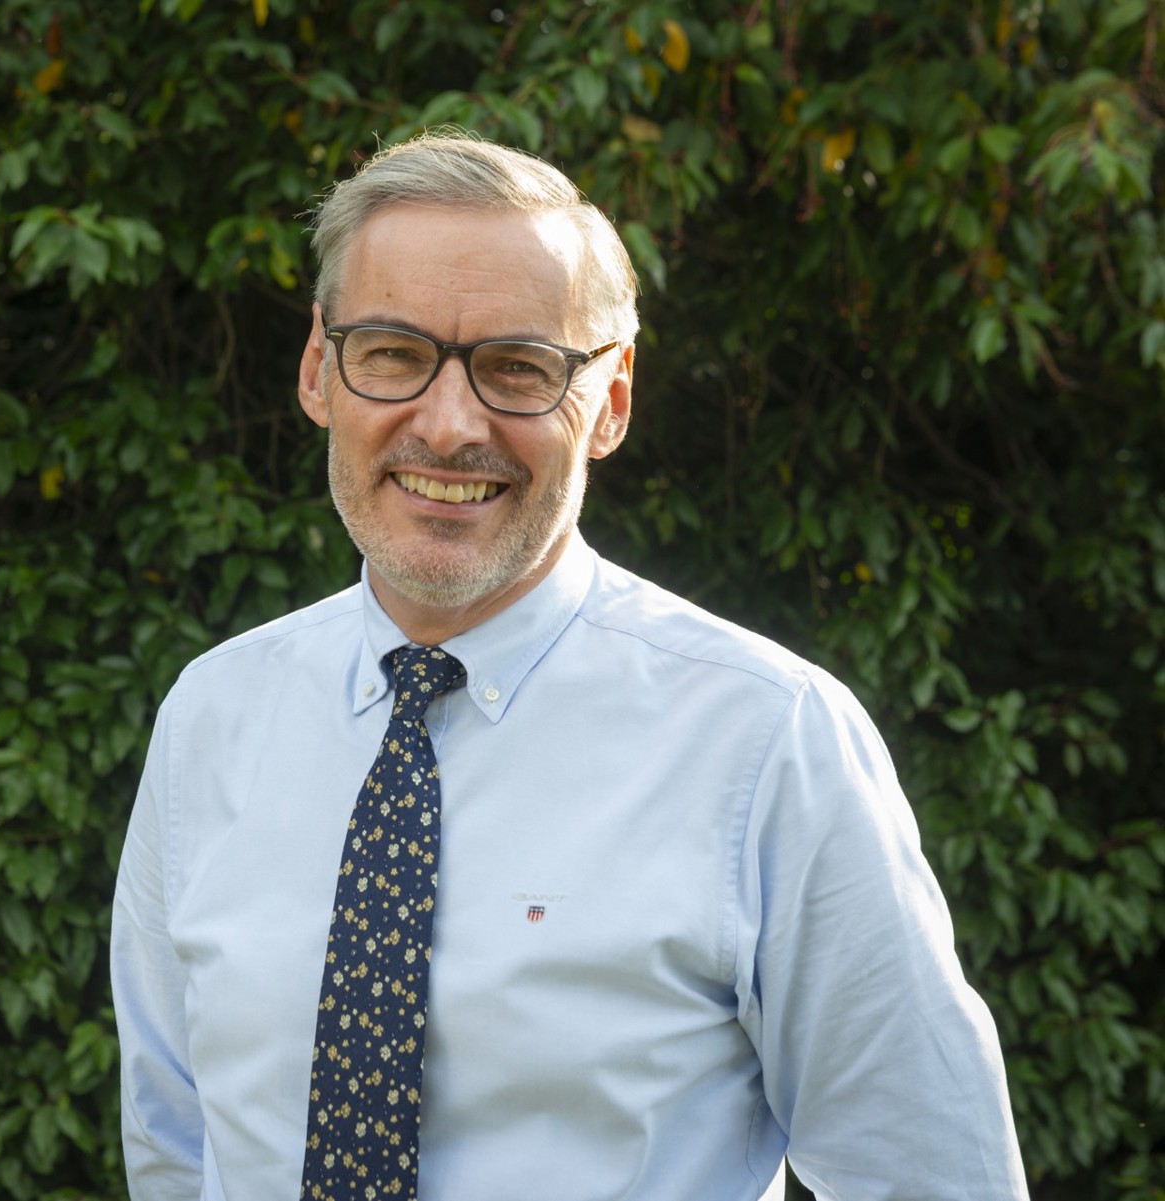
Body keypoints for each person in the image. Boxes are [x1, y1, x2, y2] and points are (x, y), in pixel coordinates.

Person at [110, 131, 1028, 1201]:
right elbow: (177, 1146)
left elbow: (930, 1176)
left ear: (613, 400)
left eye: (518, 369)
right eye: (394, 352)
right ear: (321, 368)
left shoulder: (767, 740)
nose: (448, 426)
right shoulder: (213, 716)